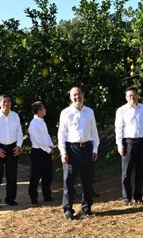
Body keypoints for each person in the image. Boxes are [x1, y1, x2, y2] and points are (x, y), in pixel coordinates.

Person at [57, 86, 99, 220]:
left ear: (83, 95)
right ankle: (68, 209)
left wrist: (95, 148)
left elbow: (94, 131)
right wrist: (63, 151)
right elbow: (61, 134)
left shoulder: (89, 111)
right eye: (74, 95)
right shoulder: (66, 113)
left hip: (87, 148)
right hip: (71, 149)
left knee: (88, 180)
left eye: (79, 94)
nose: (77, 97)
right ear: (70, 98)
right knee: (69, 180)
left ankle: (87, 207)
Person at [115, 87, 143, 206]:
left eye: (133, 95)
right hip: (128, 143)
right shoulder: (121, 110)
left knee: (141, 171)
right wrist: (120, 145)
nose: (132, 97)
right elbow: (118, 129)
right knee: (126, 172)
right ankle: (127, 198)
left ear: (137, 95)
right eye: (129, 96)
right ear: (126, 97)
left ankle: (138, 196)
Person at [0, 94, 23, 208]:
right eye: (4, 101)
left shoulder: (15, 116)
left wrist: (19, 145)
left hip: (12, 148)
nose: (6, 103)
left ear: (11, 103)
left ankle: (10, 199)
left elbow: (19, 132)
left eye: (8, 101)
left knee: (12, 175)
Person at [27, 101, 55, 204]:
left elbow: (46, 136)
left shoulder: (42, 122)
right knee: (36, 175)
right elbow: (37, 139)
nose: (45, 110)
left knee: (48, 174)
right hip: (38, 152)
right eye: (43, 108)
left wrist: (51, 145)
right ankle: (33, 196)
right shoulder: (33, 123)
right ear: (39, 111)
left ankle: (47, 194)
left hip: (46, 151)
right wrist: (47, 149)